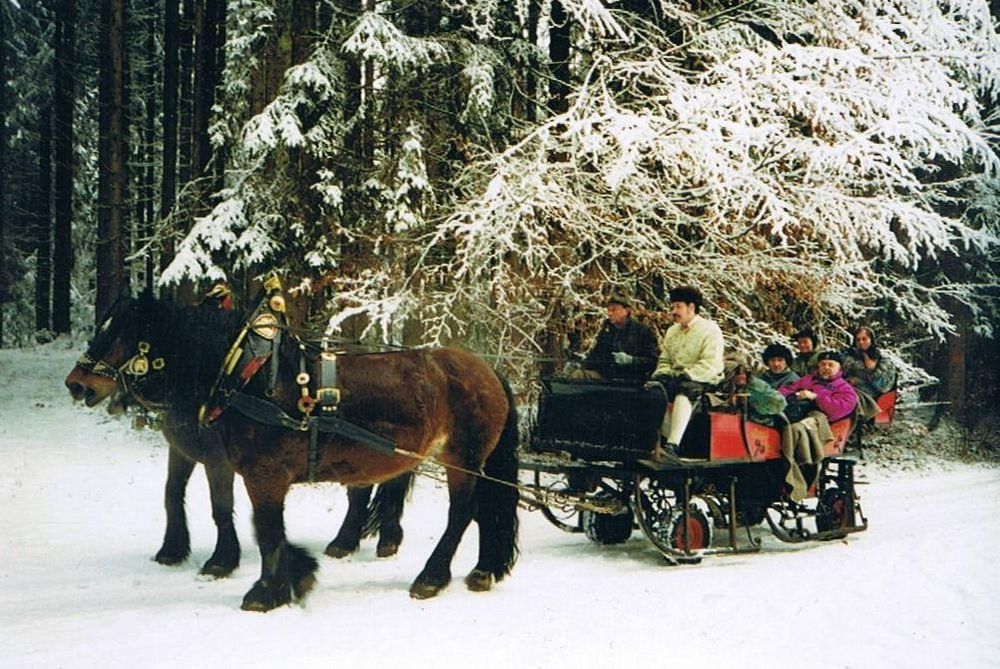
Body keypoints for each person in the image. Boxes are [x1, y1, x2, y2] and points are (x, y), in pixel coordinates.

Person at [644, 285, 724, 462]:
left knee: (683, 392)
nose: (674, 311)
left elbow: (712, 363)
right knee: (654, 391)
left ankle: (673, 445)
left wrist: (687, 375)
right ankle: (659, 440)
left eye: (678, 306)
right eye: (672, 307)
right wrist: (663, 374)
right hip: (675, 378)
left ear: (691, 307)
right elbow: (664, 360)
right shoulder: (672, 331)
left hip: (702, 378)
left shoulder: (710, 330)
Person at [579, 292, 660, 382]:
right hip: (608, 378)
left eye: (613, 310)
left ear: (626, 311)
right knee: (578, 375)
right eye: (608, 310)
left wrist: (632, 360)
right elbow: (596, 355)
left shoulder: (642, 331)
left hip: (632, 382)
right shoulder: (607, 329)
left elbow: (653, 362)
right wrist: (581, 365)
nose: (609, 313)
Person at [779, 350, 858, 423]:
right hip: (797, 411)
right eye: (823, 364)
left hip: (822, 419)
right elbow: (788, 389)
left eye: (830, 365)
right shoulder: (808, 379)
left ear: (838, 368)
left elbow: (838, 409)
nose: (826, 367)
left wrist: (816, 397)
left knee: (797, 428)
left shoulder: (844, 388)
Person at [721, 354, 787, 427]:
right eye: (737, 373)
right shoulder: (719, 386)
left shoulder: (754, 386)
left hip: (757, 426)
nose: (741, 376)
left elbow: (779, 403)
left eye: (744, 372)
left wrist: (754, 390)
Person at [842, 326, 897, 399]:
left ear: (871, 340)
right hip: (844, 391)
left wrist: (871, 370)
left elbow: (884, 387)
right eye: (858, 340)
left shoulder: (883, 360)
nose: (861, 342)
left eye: (864, 339)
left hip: (869, 399)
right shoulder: (847, 357)